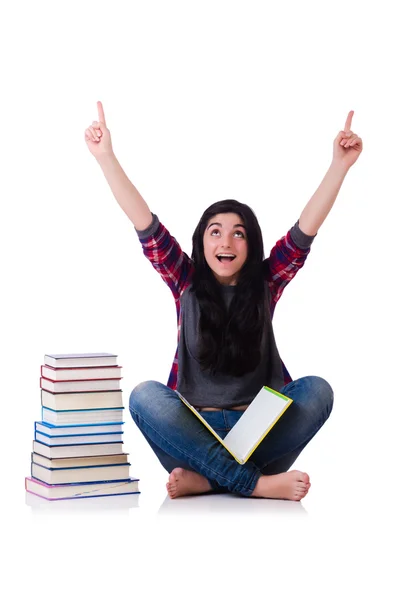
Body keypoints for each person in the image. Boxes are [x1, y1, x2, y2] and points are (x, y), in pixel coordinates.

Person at [85, 101, 363, 501]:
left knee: (317, 390)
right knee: (145, 396)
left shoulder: (266, 284)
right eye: (215, 232)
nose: (226, 242)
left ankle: (212, 480)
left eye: (238, 234)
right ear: (201, 242)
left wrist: (340, 165)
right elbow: (145, 224)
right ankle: (251, 483)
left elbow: (304, 233)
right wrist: (105, 157)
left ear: (251, 245)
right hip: (193, 434)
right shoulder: (185, 282)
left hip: (259, 436)